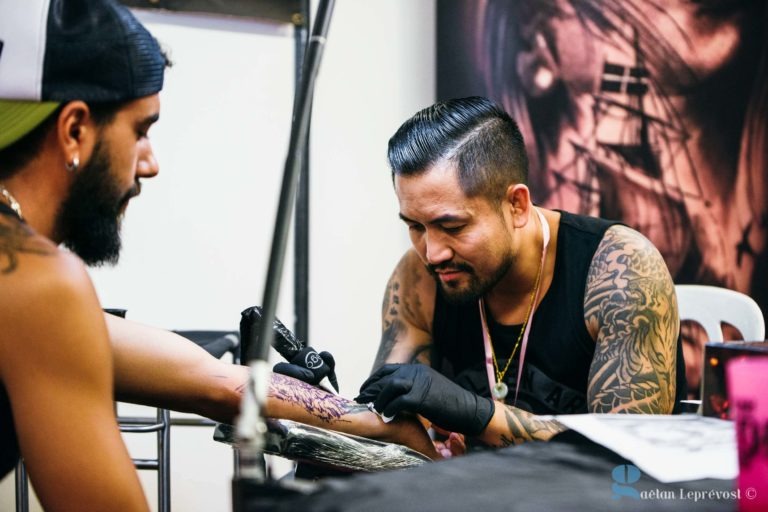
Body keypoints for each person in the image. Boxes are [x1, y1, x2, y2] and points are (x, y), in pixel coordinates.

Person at [0, 1, 434, 509]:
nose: (151, 163)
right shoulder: (35, 282)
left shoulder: (32, 296)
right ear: (75, 129)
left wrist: (381, 425)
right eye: (141, 130)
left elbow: (215, 382)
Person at [356, 96, 687, 451]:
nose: (432, 253)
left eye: (451, 226)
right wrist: (300, 400)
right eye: (415, 226)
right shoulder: (417, 279)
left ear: (516, 205)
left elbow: (626, 455)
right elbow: (385, 427)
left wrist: (474, 415)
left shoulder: (621, 272)